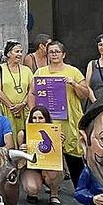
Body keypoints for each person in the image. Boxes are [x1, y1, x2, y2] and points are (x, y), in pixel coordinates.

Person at [33, 40, 92, 188]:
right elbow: (32, 94)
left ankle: (79, 187)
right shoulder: (40, 72)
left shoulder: (73, 71)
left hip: (70, 119)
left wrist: (74, 83)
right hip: (49, 120)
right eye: (51, 52)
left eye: (57, 51)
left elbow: (85, 93)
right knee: (50, 155)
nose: (54, 54)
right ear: (47, 54)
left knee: (74, 154)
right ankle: (53, 188)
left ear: (63, 54)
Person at [17, 106, 64, 205]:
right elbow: (19, 162)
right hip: (31, 167)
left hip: (49, 166)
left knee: (53, 174)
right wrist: (21, 151)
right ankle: (32, 193)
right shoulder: (22, 134)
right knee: (32, 187)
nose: (37, 121)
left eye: (41, 118)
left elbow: (59, 159)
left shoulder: (55, 132)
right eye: (34, 118)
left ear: (46, 119)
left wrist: (60, 145)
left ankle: (54, 194)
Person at [0, 40, 35, 137]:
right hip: (5, 109)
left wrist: (22, 104)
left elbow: (31, 90)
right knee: (8, 135)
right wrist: (12, 107)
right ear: (8, 53)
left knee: (24, 136)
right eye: (16, 51)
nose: (19, 54)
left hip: (24, 109)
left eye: (21, 51)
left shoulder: (27, 70)